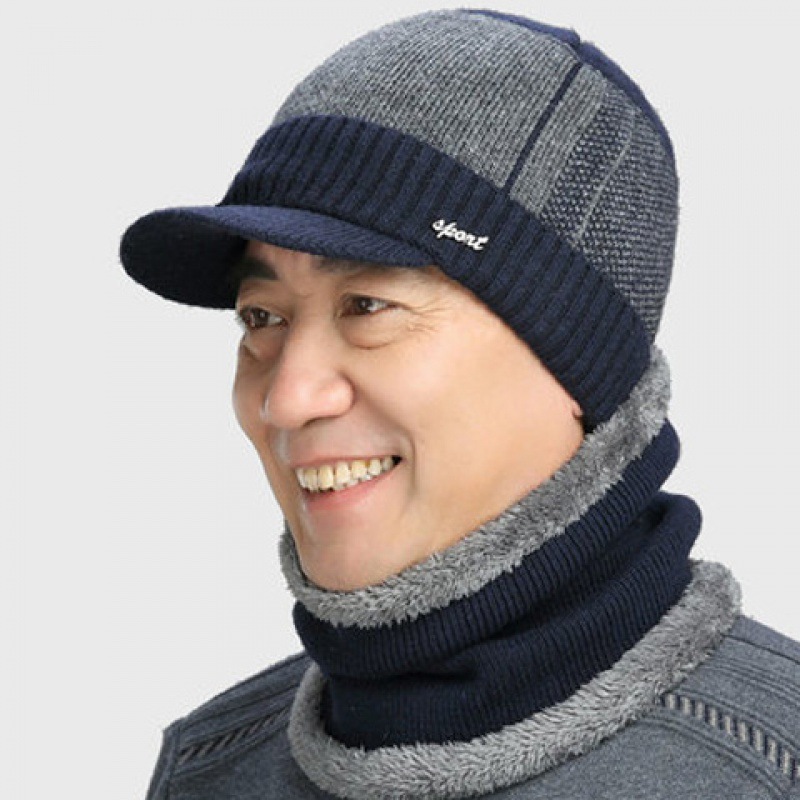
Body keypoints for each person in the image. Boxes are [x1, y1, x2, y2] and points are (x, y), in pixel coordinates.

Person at [120, 9, 800, 799]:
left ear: (573, 359)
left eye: (368, 306)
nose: (286, 399)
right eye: (262, 318)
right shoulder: (208, 771)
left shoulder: (769, 767)